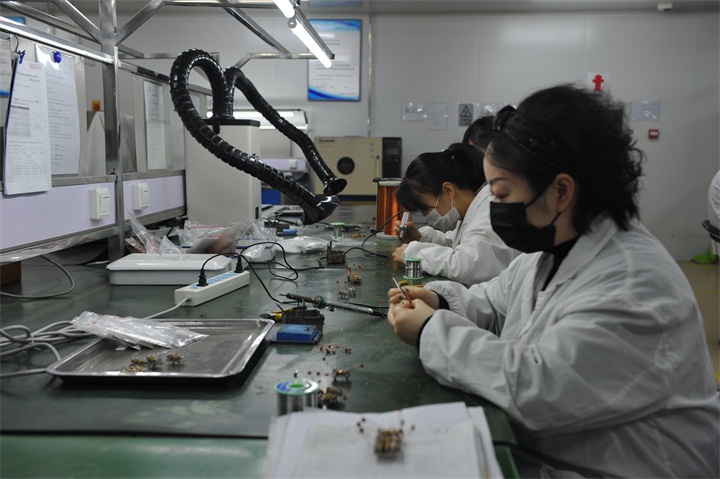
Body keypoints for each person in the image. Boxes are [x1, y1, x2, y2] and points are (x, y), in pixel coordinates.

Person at [387, 85, 719, 477]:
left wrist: (431, 331)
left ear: (560, 190)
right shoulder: (554, 247)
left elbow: (539, 388)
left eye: (501, 194)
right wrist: (440, 300)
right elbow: (495, 303)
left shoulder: (634, 284)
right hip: (559, 456)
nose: (494, 209)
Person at [390, 142, 519, 286]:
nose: (426, 216)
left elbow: (466, 266)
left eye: (426, 208)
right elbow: (454, 243)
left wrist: (416, 254)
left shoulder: (488, 214)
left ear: (448, 190)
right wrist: (420, 238)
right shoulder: (472, 211)